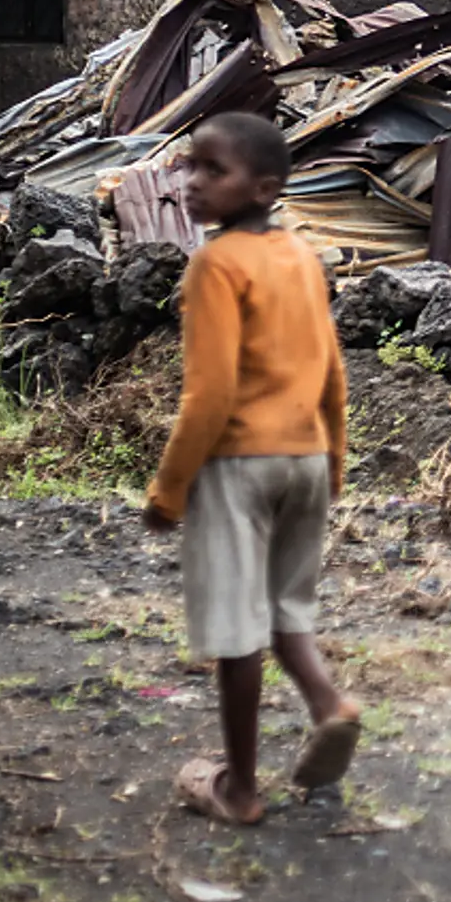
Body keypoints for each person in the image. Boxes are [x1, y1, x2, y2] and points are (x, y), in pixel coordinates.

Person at [143, 111, 360, 825]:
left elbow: (208, 393)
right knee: (286, 611)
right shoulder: (300, 256)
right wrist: (332, 460)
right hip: (303, 458)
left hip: (239, 464)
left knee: (237, 631)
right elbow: (331, 368)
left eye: (215, 171)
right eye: (191, 167)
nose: (193, 183)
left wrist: (169, 490)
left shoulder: (215, 264)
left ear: (264, 188)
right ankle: (330, 705)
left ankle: (239, 788)